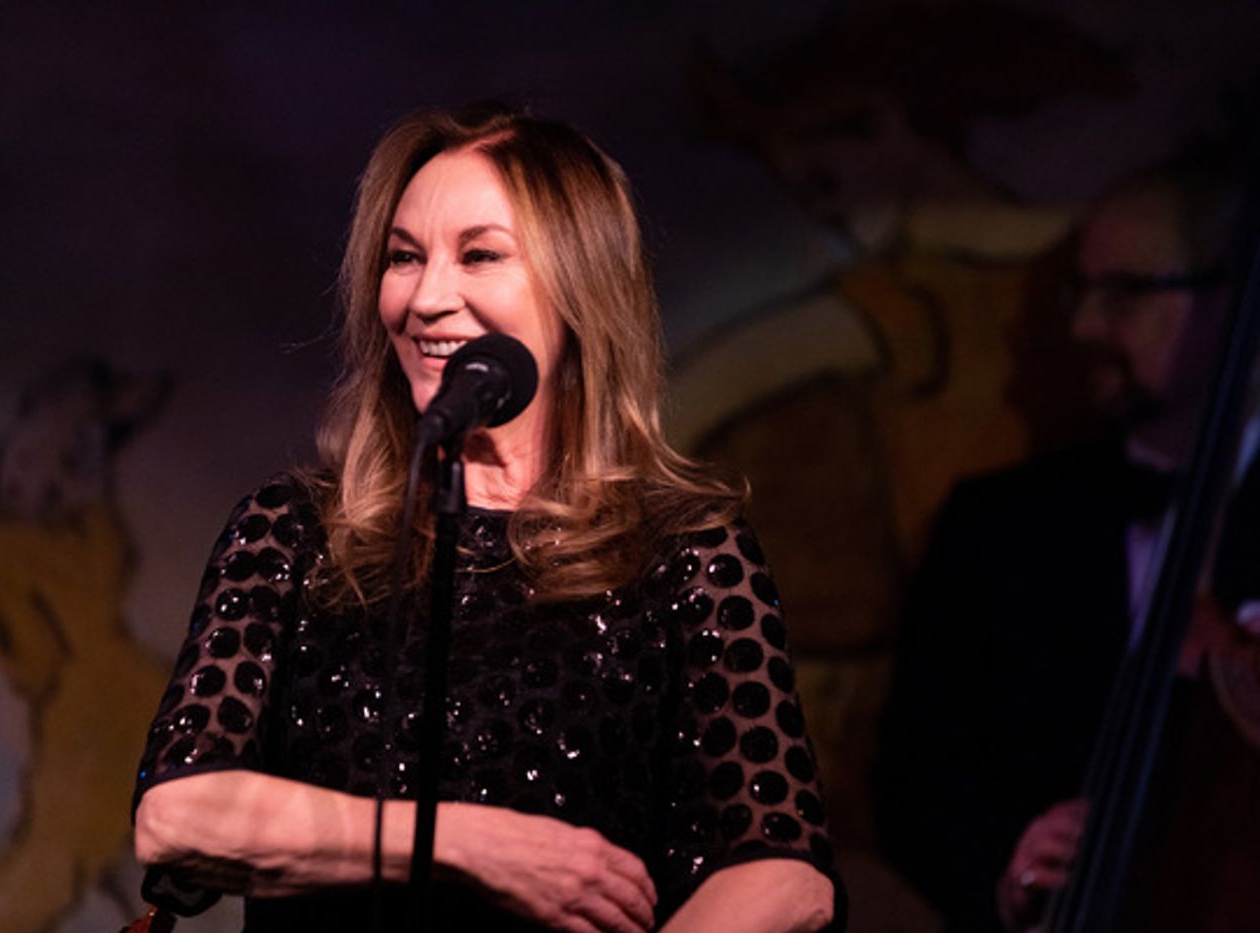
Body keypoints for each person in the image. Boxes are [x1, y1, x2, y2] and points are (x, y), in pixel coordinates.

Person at [131, 104, 840, 932]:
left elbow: (784, 870)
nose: (428, 297)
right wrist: (472, 844)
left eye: (480, 255)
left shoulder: (682, 550)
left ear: (582, 290)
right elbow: (177, 817)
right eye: (403, 257)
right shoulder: (296, 532)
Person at [873, 158, 1243, 933]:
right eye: (1084, 291)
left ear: (1231, 296)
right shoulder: (998, 525)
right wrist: (1006, 870)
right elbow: (913, 784)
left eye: (1128, 292)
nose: (1083, 328)